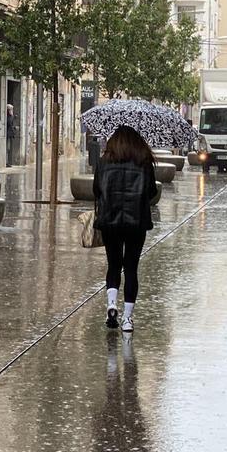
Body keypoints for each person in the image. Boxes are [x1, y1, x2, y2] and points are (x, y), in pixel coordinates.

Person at [94, 126, 158, 333]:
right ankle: (128, 320)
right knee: (131, 268)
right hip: (135, 221)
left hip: (110, 219)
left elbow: (96, 189)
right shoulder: (144, 162)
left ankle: (112, 304)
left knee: (113, 265)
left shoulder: (104, 162)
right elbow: (151, 191)